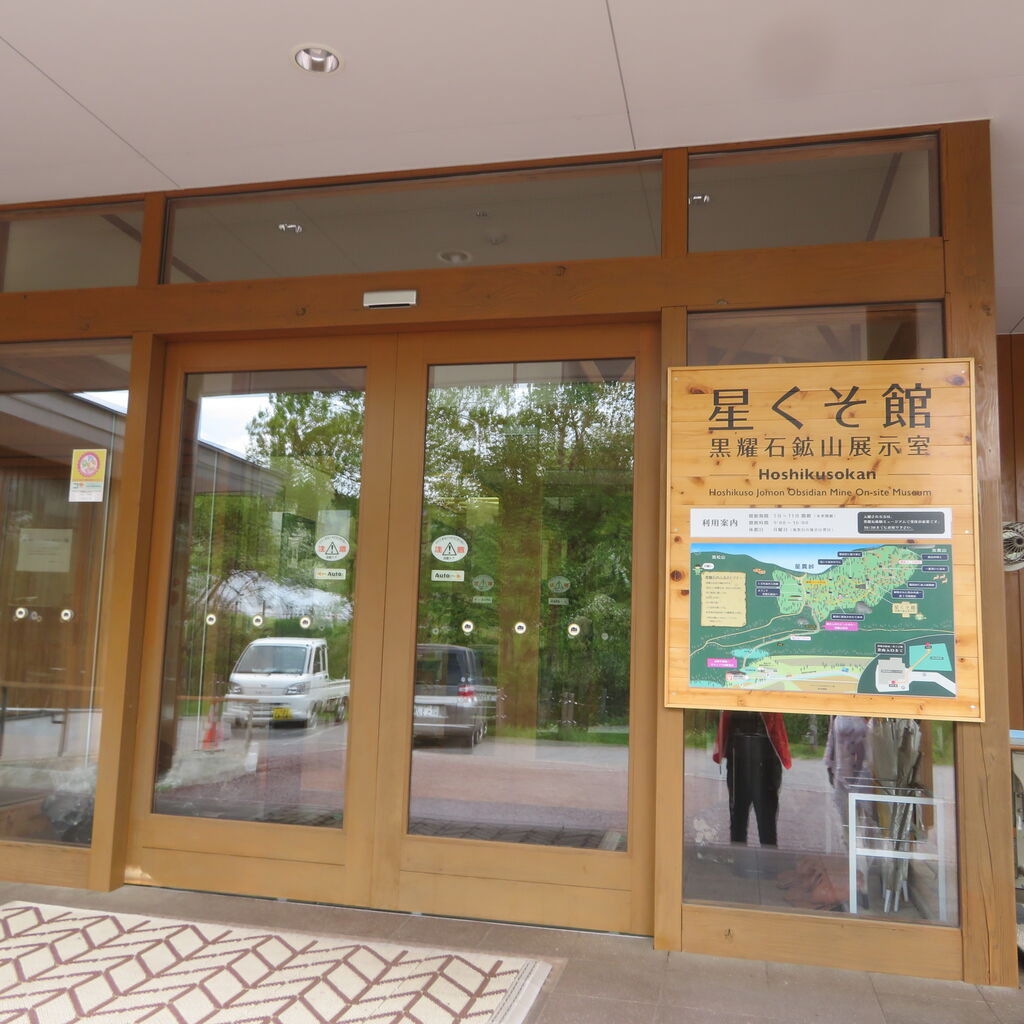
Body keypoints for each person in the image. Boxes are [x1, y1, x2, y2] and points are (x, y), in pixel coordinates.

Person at [713, 711, 791, 846]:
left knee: (764, 824)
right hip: (741, 762)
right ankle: (741, 857)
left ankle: (764, 858)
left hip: (763, 764)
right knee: (740, 823)